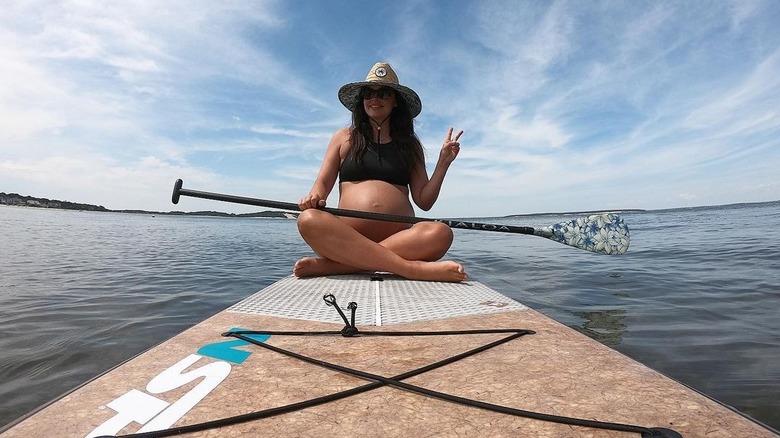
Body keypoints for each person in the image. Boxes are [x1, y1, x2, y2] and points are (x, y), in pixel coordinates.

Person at [294, 62, 466, 282]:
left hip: (401, 239)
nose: (374, 99)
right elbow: (321, 185)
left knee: (441, 233)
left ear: (395, 102)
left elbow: (424, 201)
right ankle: (412, 269)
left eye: (383, 93)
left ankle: (340, 265)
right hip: (347, 237)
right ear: (362, 101)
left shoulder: (410, 145)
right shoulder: (343, 137)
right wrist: (314, 198)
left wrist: (443, 163)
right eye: (368, 93)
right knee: (308, 219)